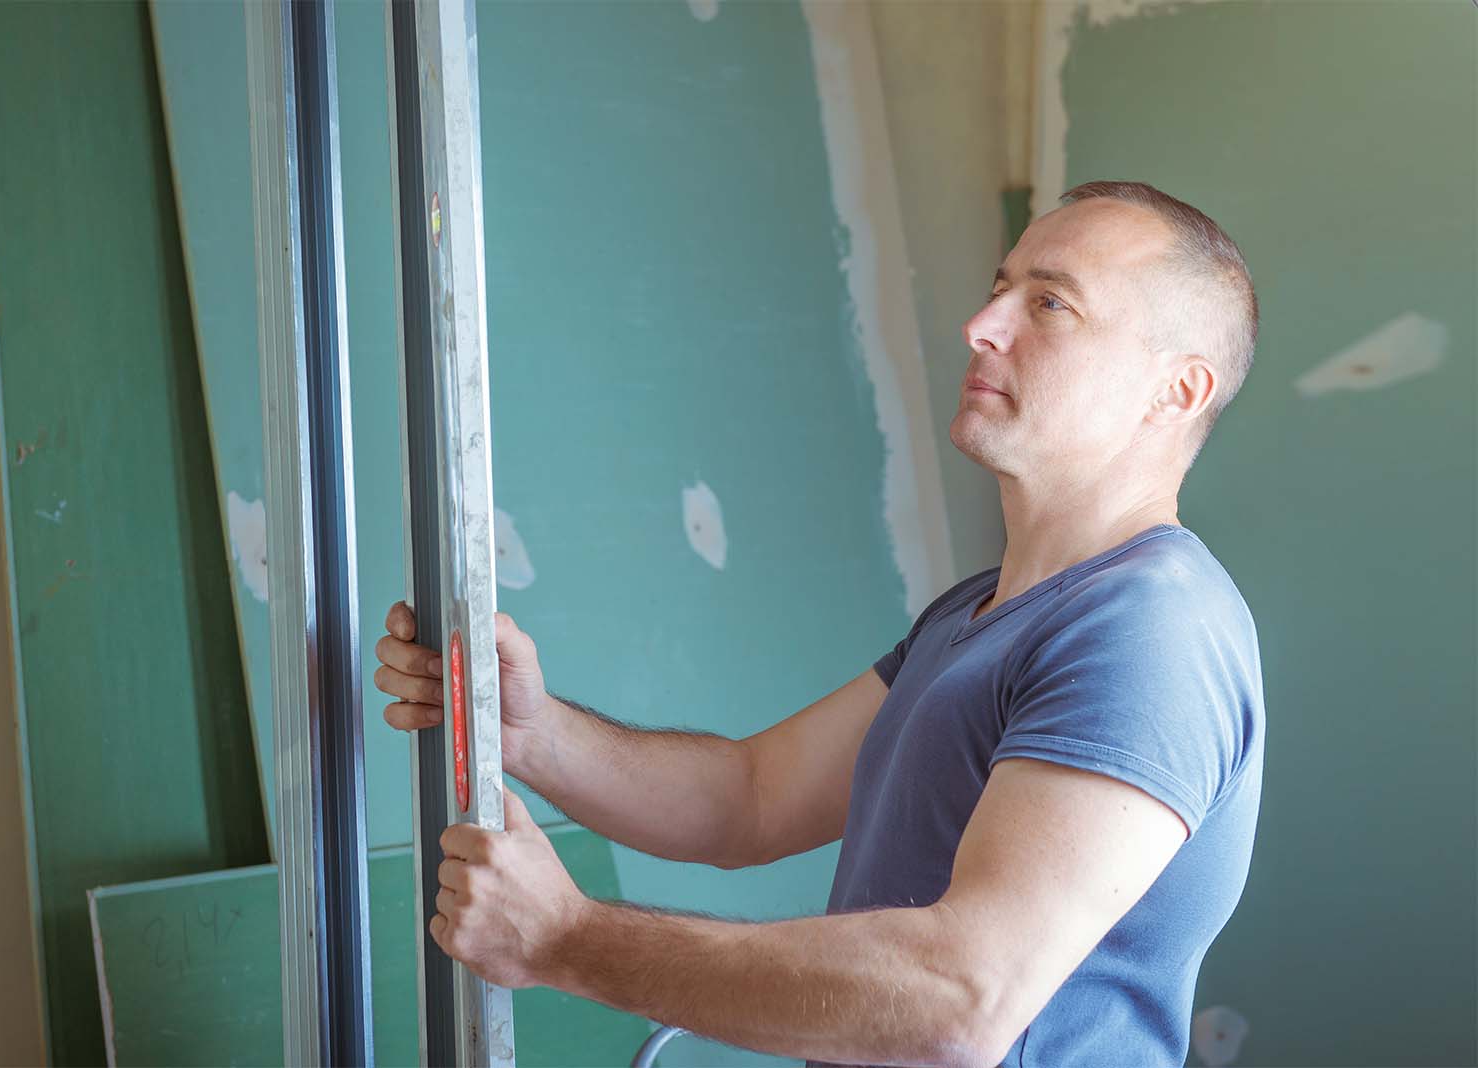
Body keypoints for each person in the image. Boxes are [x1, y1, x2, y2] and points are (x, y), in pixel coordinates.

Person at [373, 180, 1265, 1068]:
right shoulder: (979, 612)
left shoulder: (1149, 626)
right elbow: (751, 799)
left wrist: (568, 939)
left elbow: (959, 999)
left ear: (1177, 391)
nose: (982, 325)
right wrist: (532, 733)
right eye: (1000, 288)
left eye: (1050, 303)